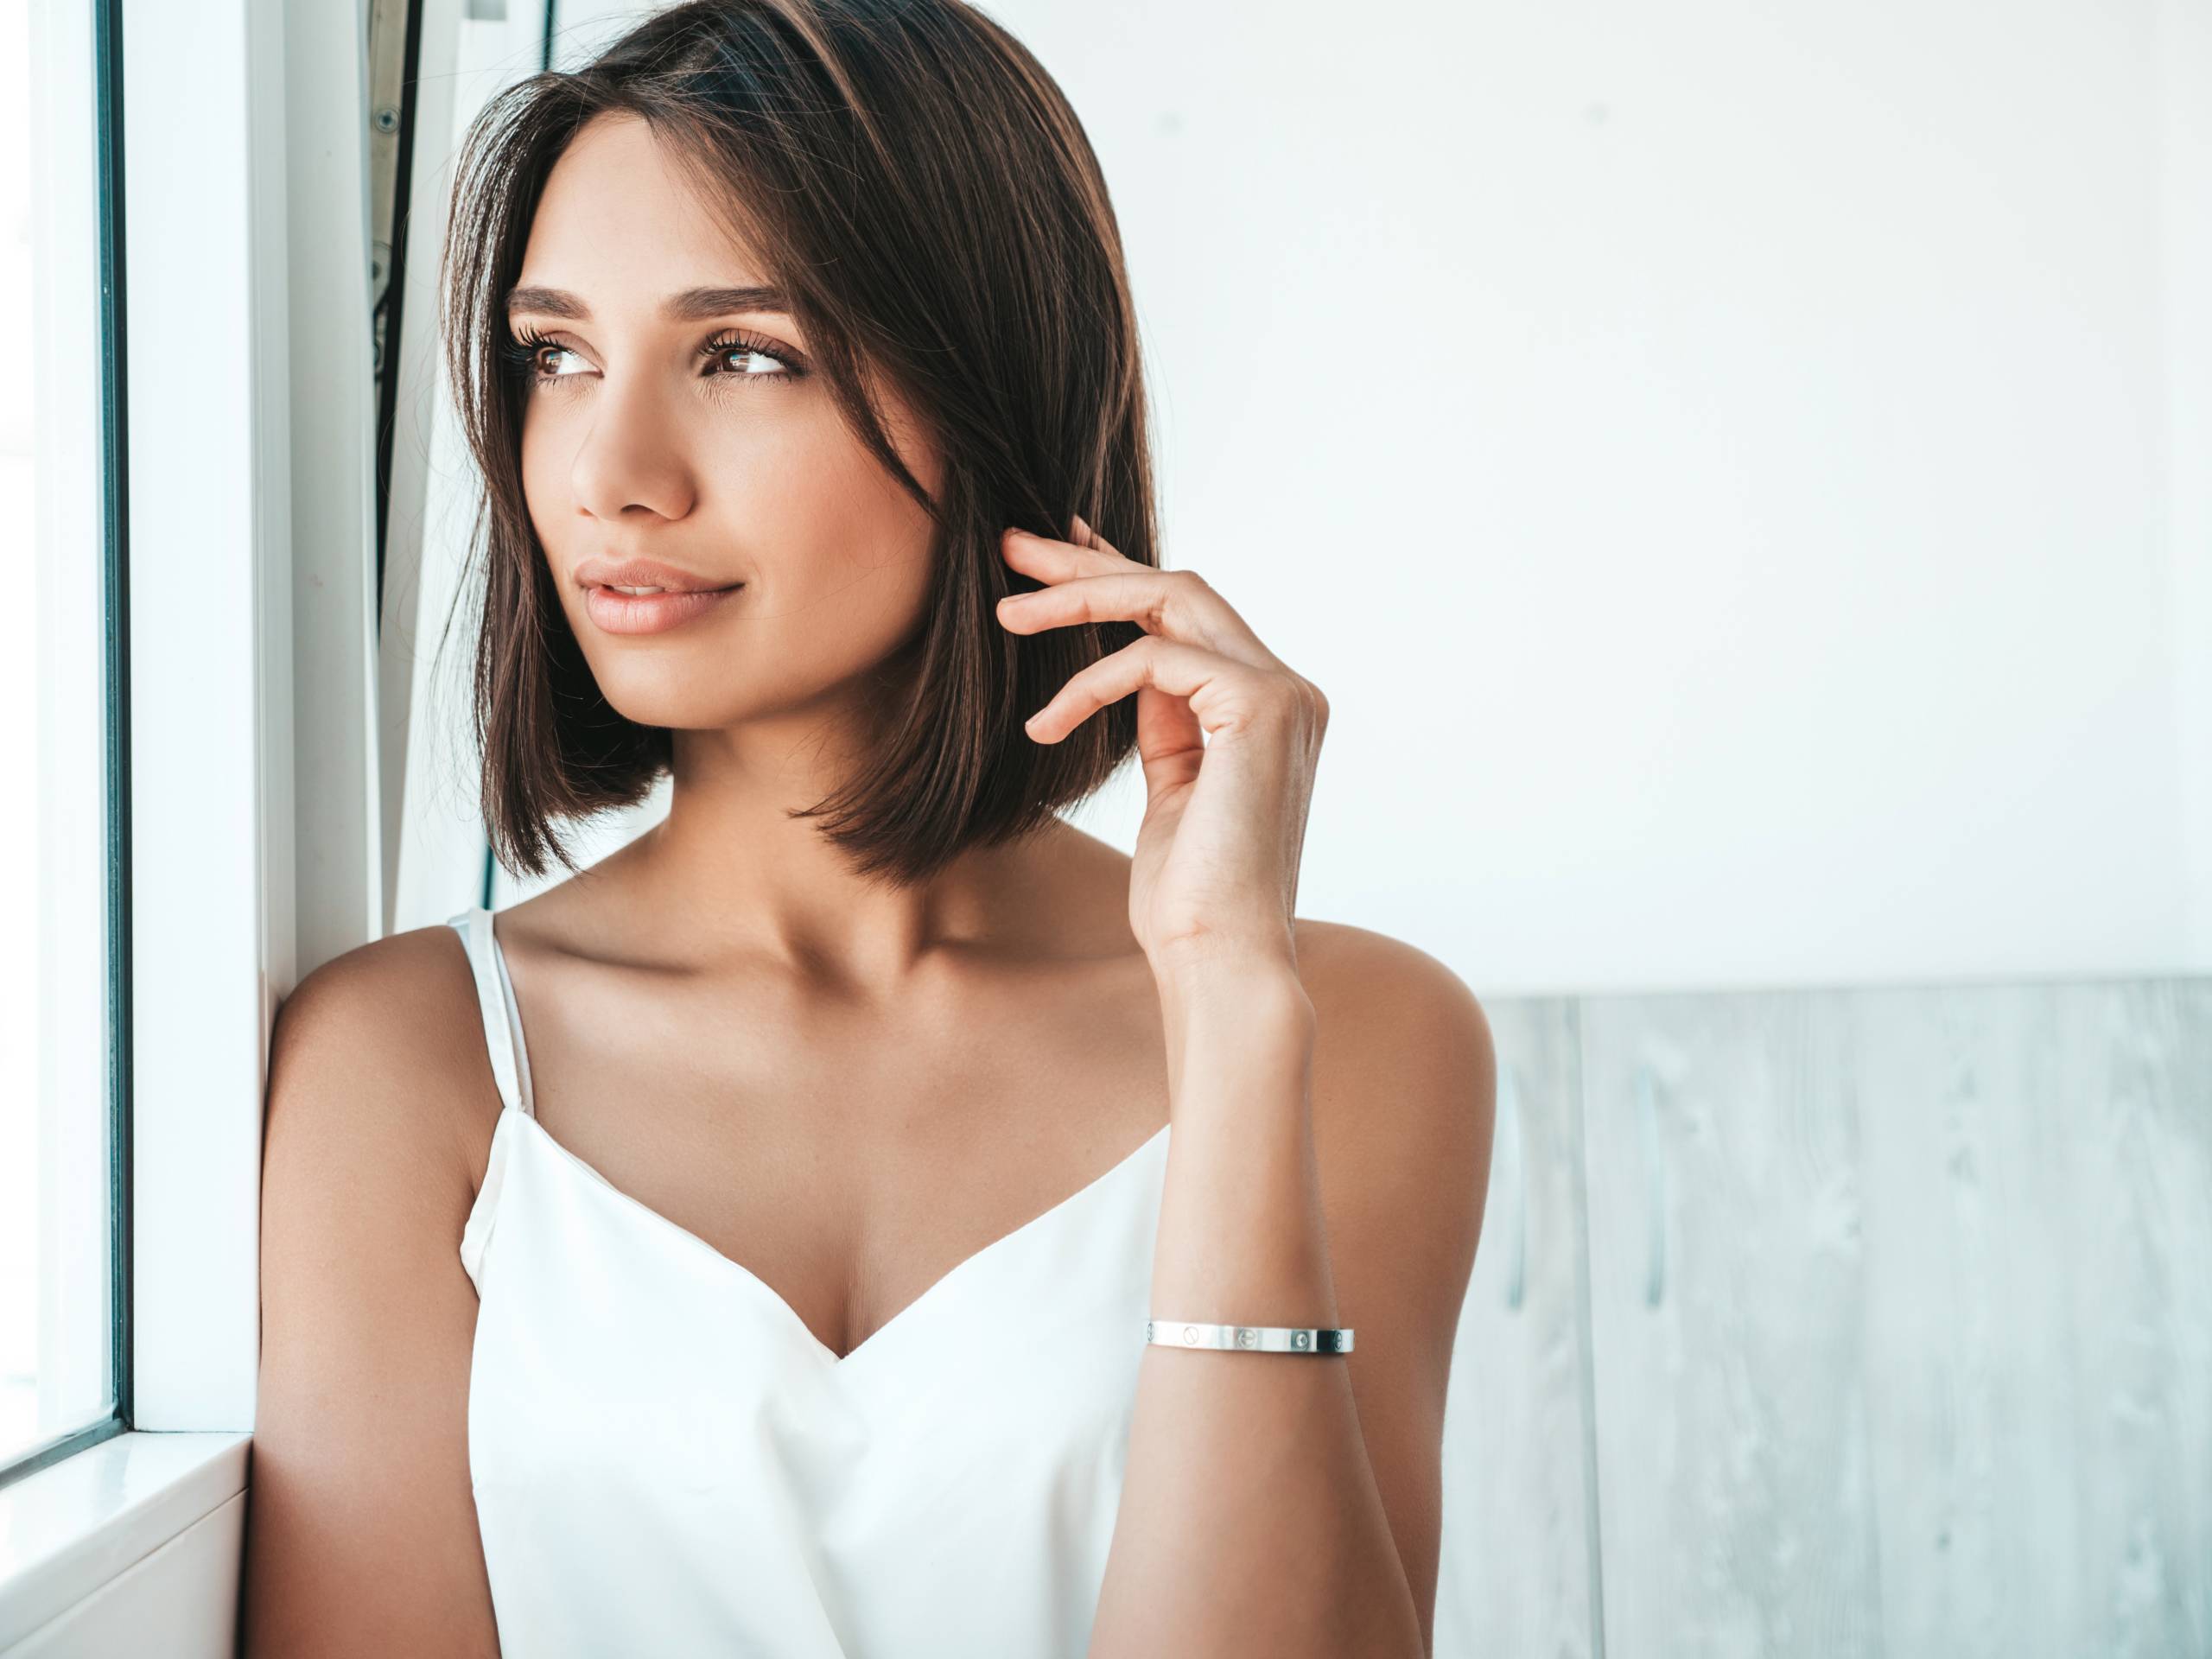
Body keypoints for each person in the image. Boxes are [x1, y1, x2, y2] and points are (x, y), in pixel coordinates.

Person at [243, 3, 1495, 1654]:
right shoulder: (406, 1068)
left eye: (745, 355)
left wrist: (1230, 1002)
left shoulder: (1358, 1036)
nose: (608, 474)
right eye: (557, 356)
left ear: (988, 397)